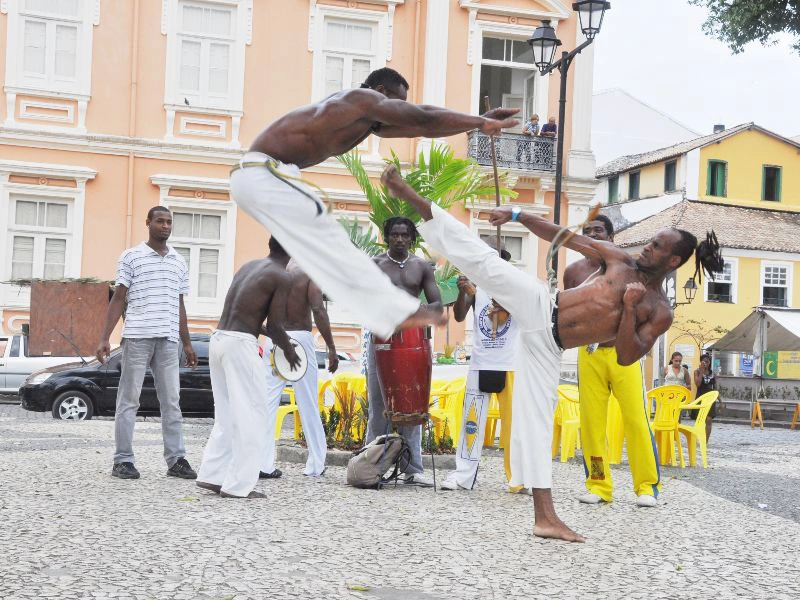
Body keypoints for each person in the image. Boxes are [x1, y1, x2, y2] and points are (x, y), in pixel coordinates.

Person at [381, 163, 723, 542]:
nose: (647, 246)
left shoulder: (659, 310)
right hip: (543, 306)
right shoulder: (619, 260)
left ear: (672, 261)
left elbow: (627, 356)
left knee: (537, 422)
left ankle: (545, 517)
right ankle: (407, 194)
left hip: (551, 345)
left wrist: (628, 309)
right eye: (651, 240)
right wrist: (517, 213)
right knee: (483, 259)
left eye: (657, 246)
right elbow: (564, 237)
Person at [229, 67, 517, 340]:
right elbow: (421, 117)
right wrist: (481, 122)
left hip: (255, 179)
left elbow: (423, 127)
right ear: (381, 91)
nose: (399, 111)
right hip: (263, 172)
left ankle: (384, 310)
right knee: (323, 225)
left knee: (321, 244)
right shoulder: (362, 99)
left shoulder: (365, 122)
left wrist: (478, 120)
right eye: (397, 103)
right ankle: (395, 312)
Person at [563, 215, 661, 508]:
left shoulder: (629, 267)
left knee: (635, 419)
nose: (593, 236)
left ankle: (646, 486)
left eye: (598, 231)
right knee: (592, 423)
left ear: (611, 236)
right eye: (587, 232)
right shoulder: (573, 272)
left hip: (624, 355)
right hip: (589, 354)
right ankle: (598, 484)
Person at [96, 206, 198, 482]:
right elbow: (118, 298)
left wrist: (187, 343)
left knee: (172, 402)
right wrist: (105, 337)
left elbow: (180, 305)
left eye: (169, 222)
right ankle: (123, 460)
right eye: (160, 221)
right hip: (138, 336)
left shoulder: (179, 260)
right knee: (129, 400)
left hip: (168, 340)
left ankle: (176, 459)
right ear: (148, 223)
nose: (165, 226)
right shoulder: (131, 256)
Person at [196, 237, 300, 499]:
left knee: (227, 414)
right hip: (240, 346)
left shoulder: (249, 266)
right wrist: (289, 349)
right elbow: (276, 326)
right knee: (253, 415)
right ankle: (239, 486)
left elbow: (247, 316)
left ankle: (212, 475)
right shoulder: (282, 276)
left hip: (219, 339)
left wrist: (274, 337)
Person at [364, 216, 442, 487]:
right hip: (381, 340)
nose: (399, 239)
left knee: (411, 404)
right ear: (386, 237)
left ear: (412, 239)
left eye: (404, 235)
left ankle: (413, 469)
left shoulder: (421, 267)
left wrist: (410, 313)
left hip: (413, 342)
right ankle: (372, 466)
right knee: (378, 404)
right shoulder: (375, 265)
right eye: (394, 234)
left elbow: (437, 306)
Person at [440, 244, 520, 492]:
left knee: (514, 426)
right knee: (471, 422)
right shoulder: (475, 286)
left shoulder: (515, 285)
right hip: (480, 363)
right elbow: (460, 316)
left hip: (511, 364)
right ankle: (464, 476)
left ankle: (518, 477)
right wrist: (465, 292)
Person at [260, 259, 339, 479]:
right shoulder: (309, 270)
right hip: (300, 339)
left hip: (273, 339)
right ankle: (315, 464)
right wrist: (331, 347)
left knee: (268, 402)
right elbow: (318, 310)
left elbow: (255, 313)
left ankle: (262, 463)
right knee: (308, 403)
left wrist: (273, 336)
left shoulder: (269, 269)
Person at [693, 353, 717, 441]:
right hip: (700, 397)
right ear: (701, 362)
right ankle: (699, 437)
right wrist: (702, 371)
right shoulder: (697, 371)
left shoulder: (712, 373)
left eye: (708, 361)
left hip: (710, 398)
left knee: (709, 419)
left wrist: (720, 401)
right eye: (704, 361)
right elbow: (697, 384)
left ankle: (706, 440)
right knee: (700, 419)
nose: (706, 363)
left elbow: (715, 388)